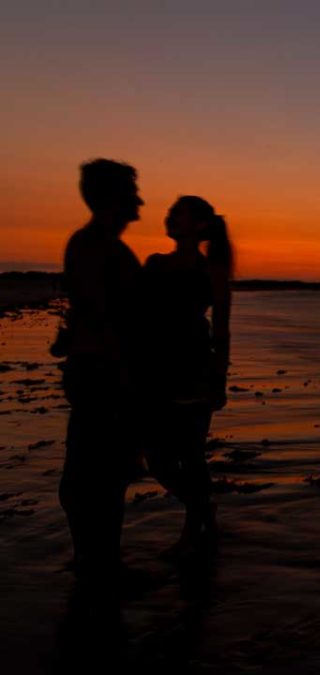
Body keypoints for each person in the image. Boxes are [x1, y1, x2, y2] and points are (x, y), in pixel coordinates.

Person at [59, 158, 144, 577]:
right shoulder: (94, 244)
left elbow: (88, 309)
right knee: (95, 473)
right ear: (113, 197)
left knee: (106, 471)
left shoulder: (104, 245)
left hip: (101, 367)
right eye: (132, 192)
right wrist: (125, 377)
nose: (140, 200)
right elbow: (99, 313)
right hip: (103, 372)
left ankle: (99, 558)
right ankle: (95, 560)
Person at [141, 196, 233, 558]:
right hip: (154, 369)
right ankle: (203, 510)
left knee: (192, 455)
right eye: (169, 213)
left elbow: (222, 332)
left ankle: (194, 531)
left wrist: (219, 381)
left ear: (197, 226)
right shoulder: (154, 264)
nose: (168, 218)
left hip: (194, 369)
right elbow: (136, 315)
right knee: (158, 460)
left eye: (176, 214)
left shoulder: (211, 270)